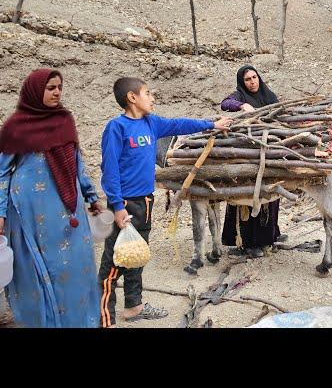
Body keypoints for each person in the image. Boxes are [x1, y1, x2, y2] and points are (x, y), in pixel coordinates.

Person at [98, 77, 231, 327]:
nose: (152, 98)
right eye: (147, 93)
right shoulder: (117, 128)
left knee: (136, 255)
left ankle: (134, 306)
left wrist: (212, 124)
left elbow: (179, 124)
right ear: (132, 98)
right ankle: (103, 318)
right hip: (125, 204)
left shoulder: (151, 123)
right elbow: (110, 170)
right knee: (113, 263)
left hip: (146, 201)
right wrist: (116, 206)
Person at [0, 68, 104, 328]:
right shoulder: (16, 127)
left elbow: (76, 161)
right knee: (41, 268)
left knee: (78, 264)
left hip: (69, 206)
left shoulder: (65, 120)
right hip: (31, 212)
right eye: (50, 88)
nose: (57, 92)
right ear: (36, 91)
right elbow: (2, 172)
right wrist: (0, 213)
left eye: (59, 87)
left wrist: (90, 194)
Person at [219, 65, 283, 258]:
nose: (252, 82)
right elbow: (225, 103)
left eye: (254, 77)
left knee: (269, 196)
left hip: (268, 152)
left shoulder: (269, 95)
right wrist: (240, 105)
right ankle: (246, 242)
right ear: (242, 82)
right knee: (245, 196)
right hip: (246, 154)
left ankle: (268, 237)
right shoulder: (239, 96)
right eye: (248, 79)